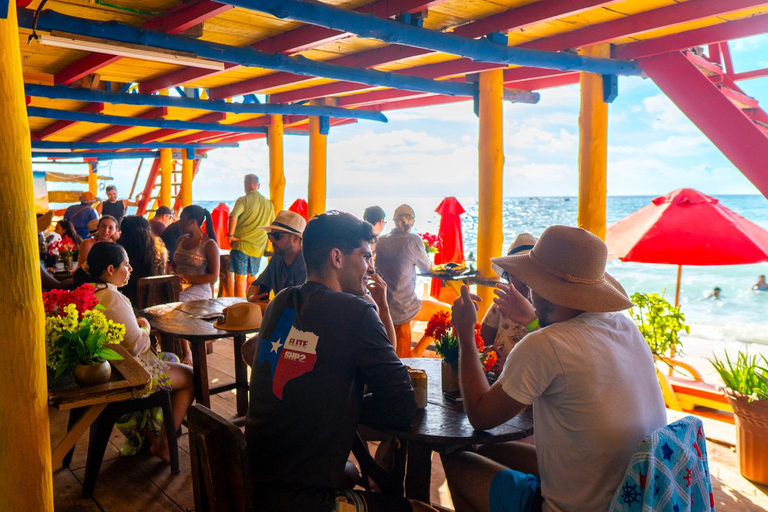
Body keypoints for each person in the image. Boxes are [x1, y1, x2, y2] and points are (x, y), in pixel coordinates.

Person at [442, 225, 666, 512]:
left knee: (458, 457)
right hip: (631, 495)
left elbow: (481, 416)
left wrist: (464, 333)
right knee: (490, 449)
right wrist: (534, 320)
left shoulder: (544, 345)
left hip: (579, 507)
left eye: (531, 283)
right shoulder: (624, 326)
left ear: (543, 290)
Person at [244, 211, 434, 512]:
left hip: (254, 483)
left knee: (348, 472)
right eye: (365, 257)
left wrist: (336, 400)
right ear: (337, 257)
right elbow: (401, 407)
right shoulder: (356, 312)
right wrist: (348, 403)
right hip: (305, 503)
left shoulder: (281, 301)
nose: (371, 268)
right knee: (421, 509)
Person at [85, 242, 194, 462]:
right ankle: (164, 444)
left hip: (107, 368)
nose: (130, 269)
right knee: (191, 377)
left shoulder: (91, 292)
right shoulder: (111, 297)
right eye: (126, 265)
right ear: (110, 270)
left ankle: (149, 434)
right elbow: (135, 344)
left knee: (171, 359)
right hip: (128, 373)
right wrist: (144, 326)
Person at [375, 204, 432, 357]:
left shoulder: (381, 240)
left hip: (382, 305)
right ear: (412, 221)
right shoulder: (413, 240)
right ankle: (417, 353)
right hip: (404, 308)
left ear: (394, 220)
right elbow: (426, 269)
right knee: (446, 313)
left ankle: (415, 353)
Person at [480, 233, 536, 367]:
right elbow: (480, 347)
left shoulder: (549, 310)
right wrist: (487, 355)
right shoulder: (501, 306)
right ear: (508, 277)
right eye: (516, 273)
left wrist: (509, 365)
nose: (524, 279)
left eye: (530, 271)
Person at [228, 174, 275, 297]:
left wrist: (230, 235)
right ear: (257, 185)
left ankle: (239, 309)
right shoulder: (268, 204)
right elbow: (271, 227)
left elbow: (233, 216)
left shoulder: (243, 200)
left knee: (239, 279)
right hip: (258, 248)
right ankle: (249, 307)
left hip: (241, 244)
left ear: (246, 184)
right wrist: (267, 247)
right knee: (251, 280)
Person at [246, 210, 307, 303]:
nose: (272, 240)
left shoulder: (306, 266)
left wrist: (258, 307)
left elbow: (298, 308)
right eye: (270, 235)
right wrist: (252, 298)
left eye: (277, 236)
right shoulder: (277, 258)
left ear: (295, 238)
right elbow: (255, 285)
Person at [117, 215, 168, 306]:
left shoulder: (122, 253)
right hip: (156, 301)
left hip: (128, 302)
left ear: (124, 234)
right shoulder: (159, 252)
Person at [173, 205, 220, 301]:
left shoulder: (209, 244)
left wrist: (187, 278)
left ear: (193, 222)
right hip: (180, 286)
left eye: (182, 220)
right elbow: (175, 265)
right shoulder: (181, 240)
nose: (179, 223)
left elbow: (213, 277)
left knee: (177, 301)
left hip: (199, 289)